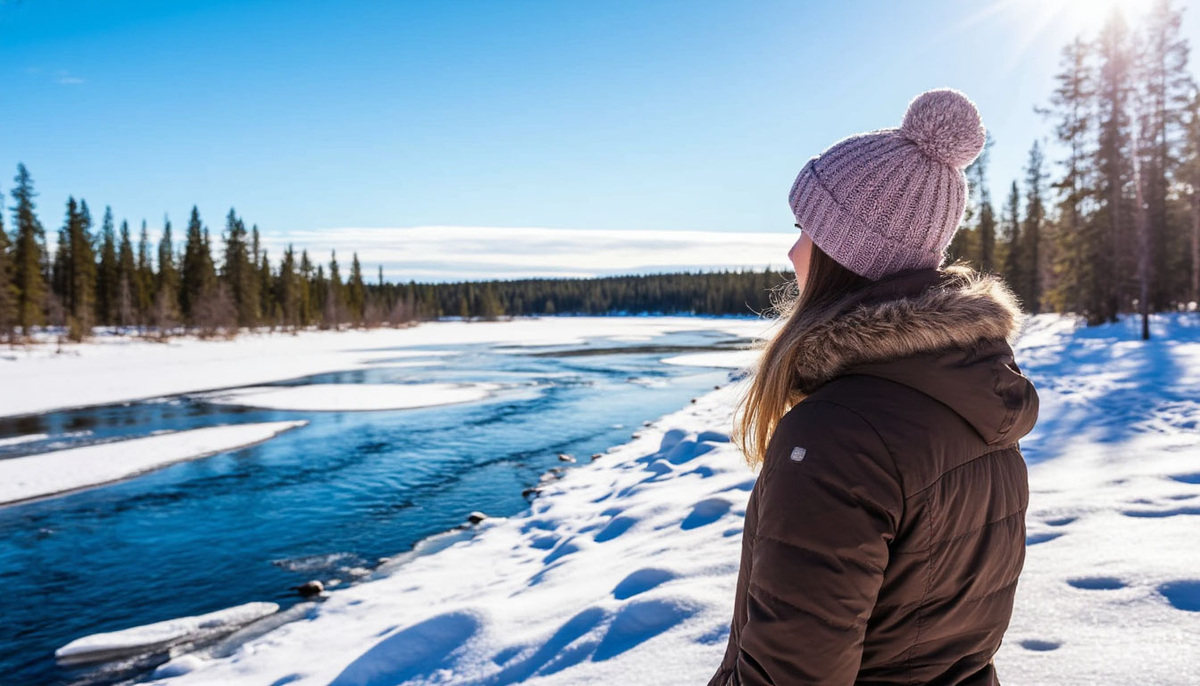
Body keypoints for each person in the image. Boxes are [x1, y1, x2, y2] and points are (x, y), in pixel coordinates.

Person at [708, 88, 1040, 685]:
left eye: (803, 229)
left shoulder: (839, 434)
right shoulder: (976, 401)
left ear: (844, 250)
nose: (792, 251)